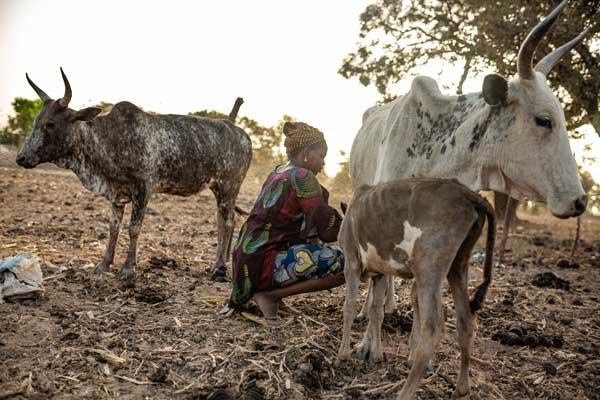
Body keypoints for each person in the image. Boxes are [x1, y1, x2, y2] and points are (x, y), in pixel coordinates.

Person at [226, 121, 345, 323]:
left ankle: (271, 296)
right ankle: (270, 297)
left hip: (246, 260)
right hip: (265, 262)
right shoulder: (303, 176)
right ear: (307, 151)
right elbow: (326, 233)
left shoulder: (278, 171)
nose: (323, 163)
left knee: (306, 246)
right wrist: (350, 223)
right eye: (321, 156)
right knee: (344, 265)